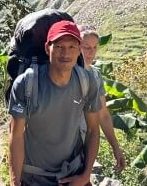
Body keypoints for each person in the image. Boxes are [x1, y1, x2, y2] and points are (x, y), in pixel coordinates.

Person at [8, 21, 102, 186]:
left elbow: (94, 130)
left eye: (72, 47)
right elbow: (16, 135)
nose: (65, 53)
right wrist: (15, 182)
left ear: (79, 49)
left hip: (73, 174)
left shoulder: (86, 81)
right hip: (34, 178)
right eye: (58, 46)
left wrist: (85, 175)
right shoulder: (26, 83)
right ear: (47, 48)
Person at [77, 25, 126, 173]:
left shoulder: (96, 75)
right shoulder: (65, 73)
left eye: (95, 47)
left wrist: (115, 147)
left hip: (85, 143)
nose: (91, 52)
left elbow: (103, 114)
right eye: (86, 47)